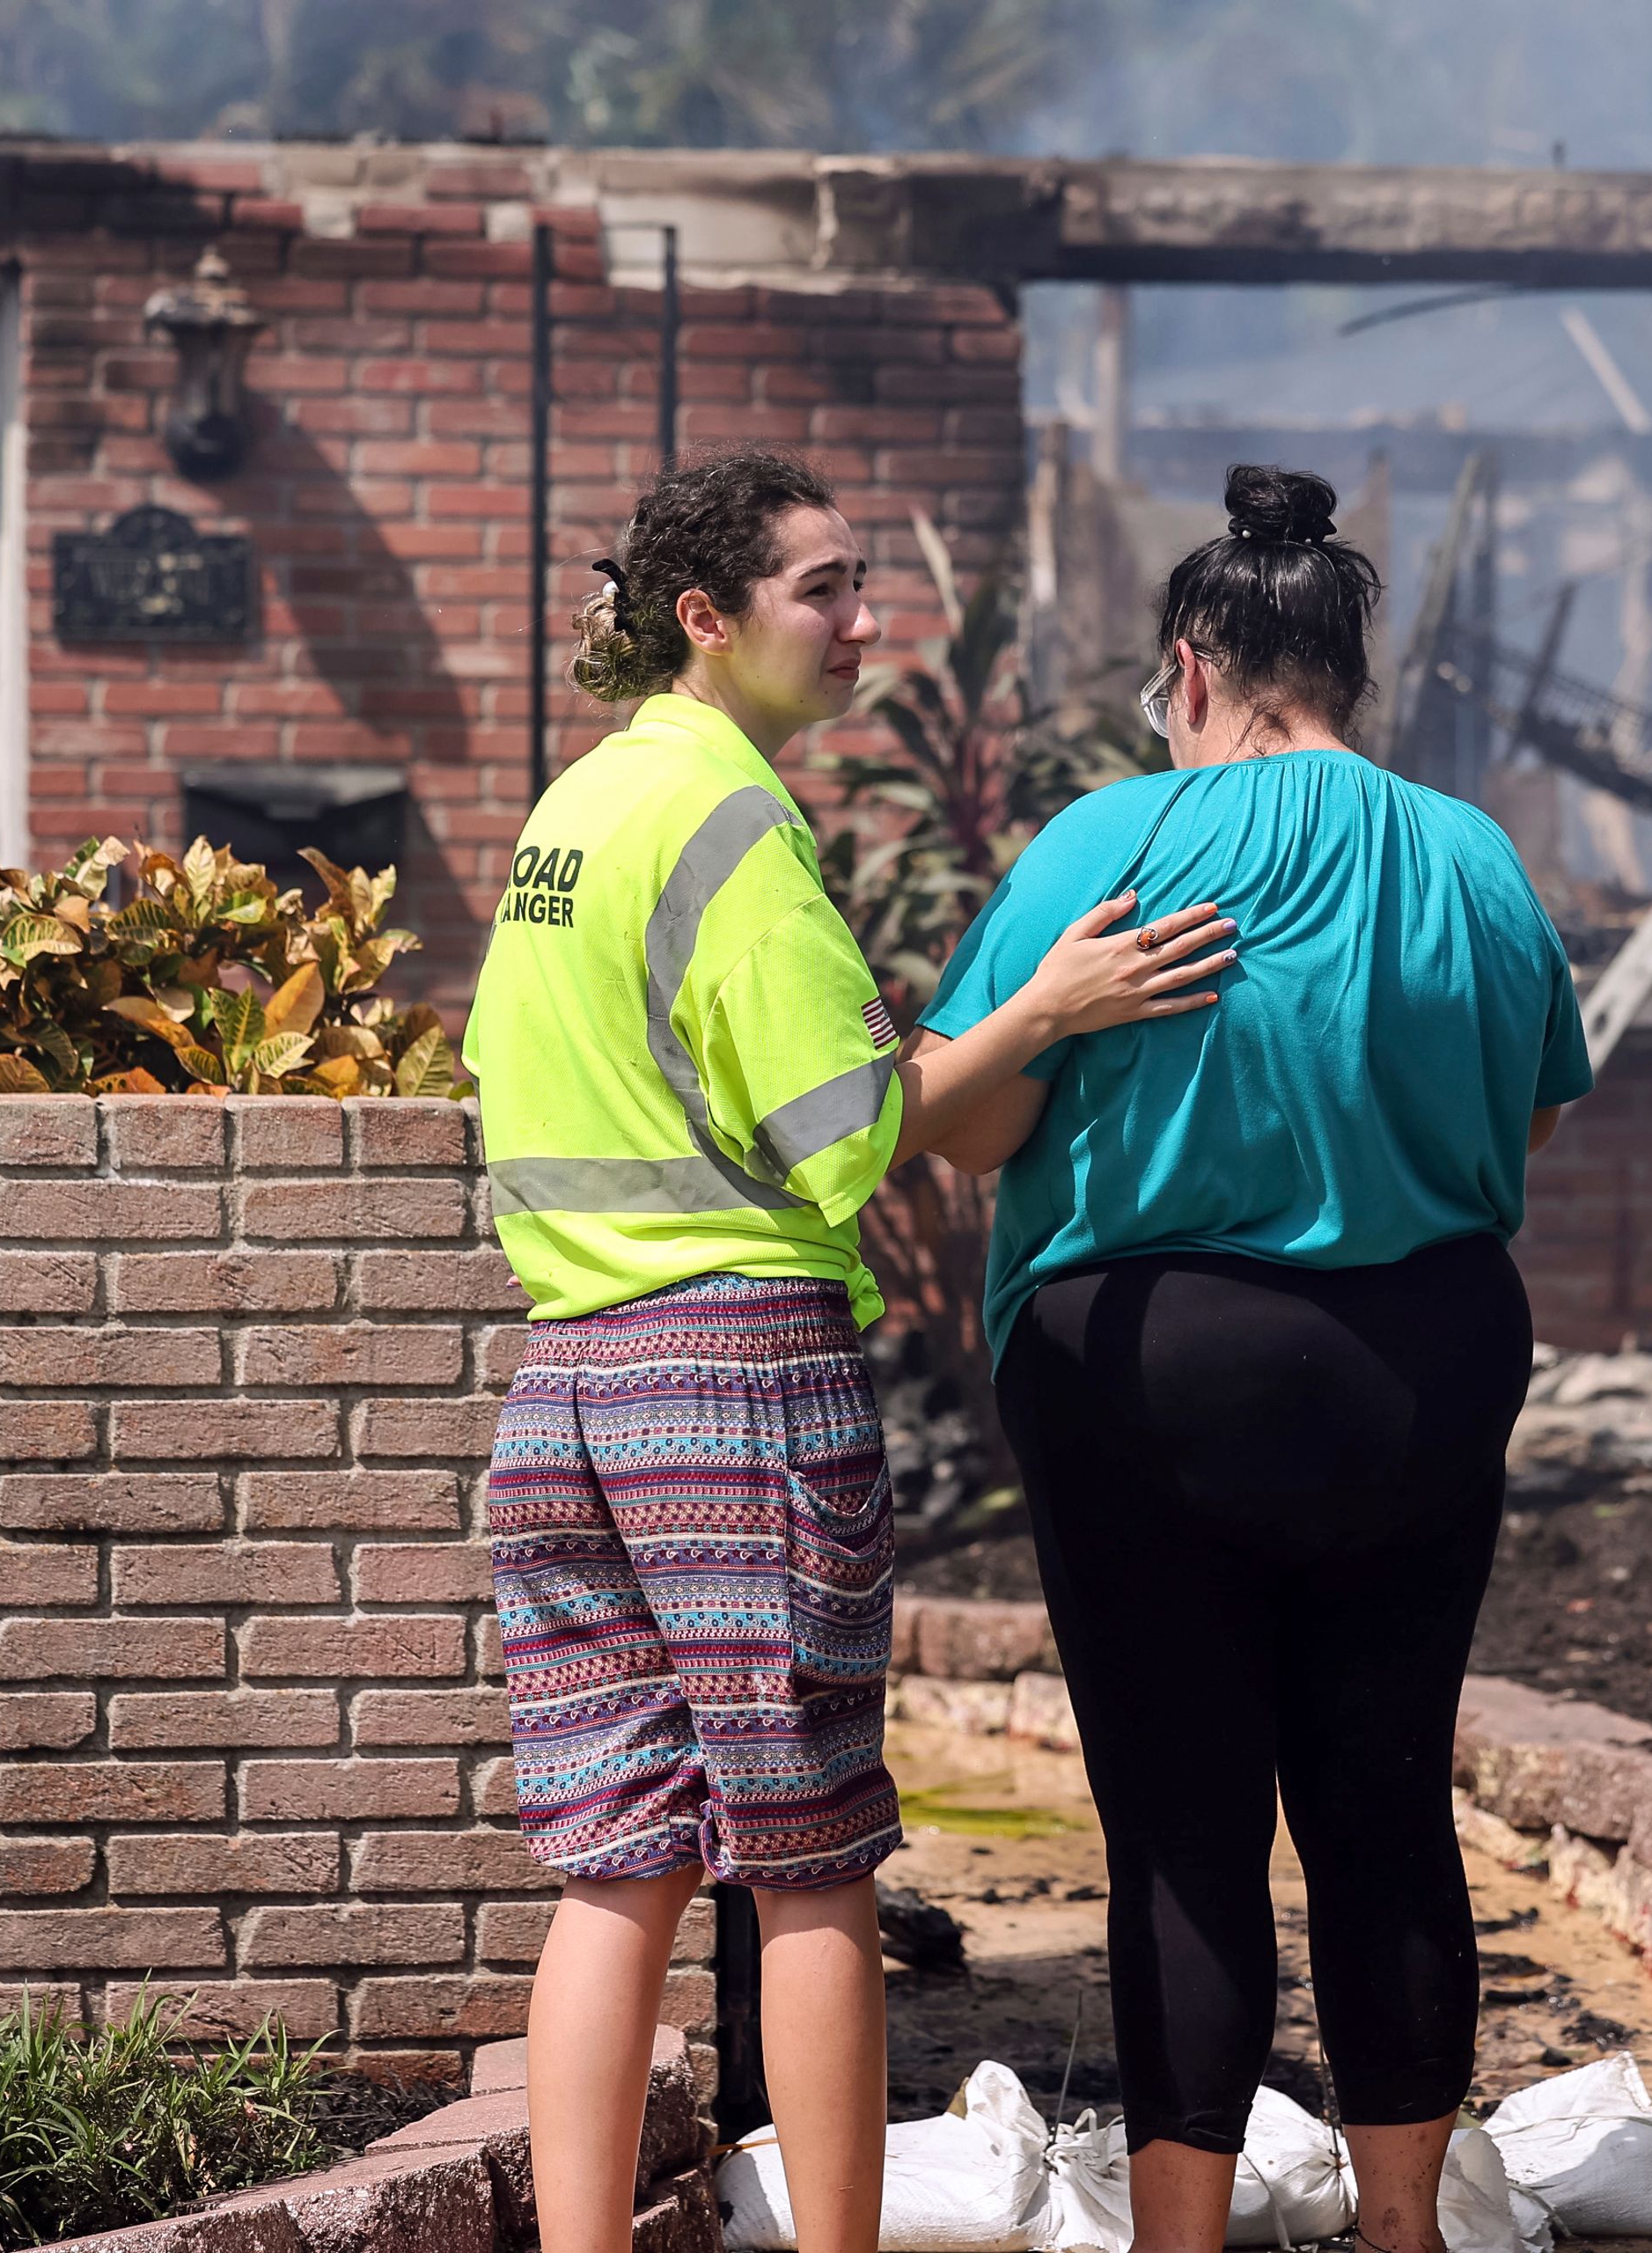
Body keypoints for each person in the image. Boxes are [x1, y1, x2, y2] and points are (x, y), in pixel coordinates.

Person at [461, 448, 1235, 2253]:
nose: (864, 621)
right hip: (730, 1382)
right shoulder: (732, 825)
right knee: (811, 1868)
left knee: (616, 1866)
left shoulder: (570, 813)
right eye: (822, 588)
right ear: (704, 620)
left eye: (861, 580)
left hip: (568, 1381)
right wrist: (1046, 1007)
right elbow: (860, 1134)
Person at [915, 465, 1593, 2253]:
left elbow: (966, 1133)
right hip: (1425, 1364)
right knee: (1386, 1802)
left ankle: (1181, 2239)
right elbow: (1528, 1088)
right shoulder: (1471, 853)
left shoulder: (1104, 845)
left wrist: (1049, 1022)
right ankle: (1401, 2232)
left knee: (1182, 1827)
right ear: (1350, 669)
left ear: (1191, 662)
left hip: (1147, 1371)